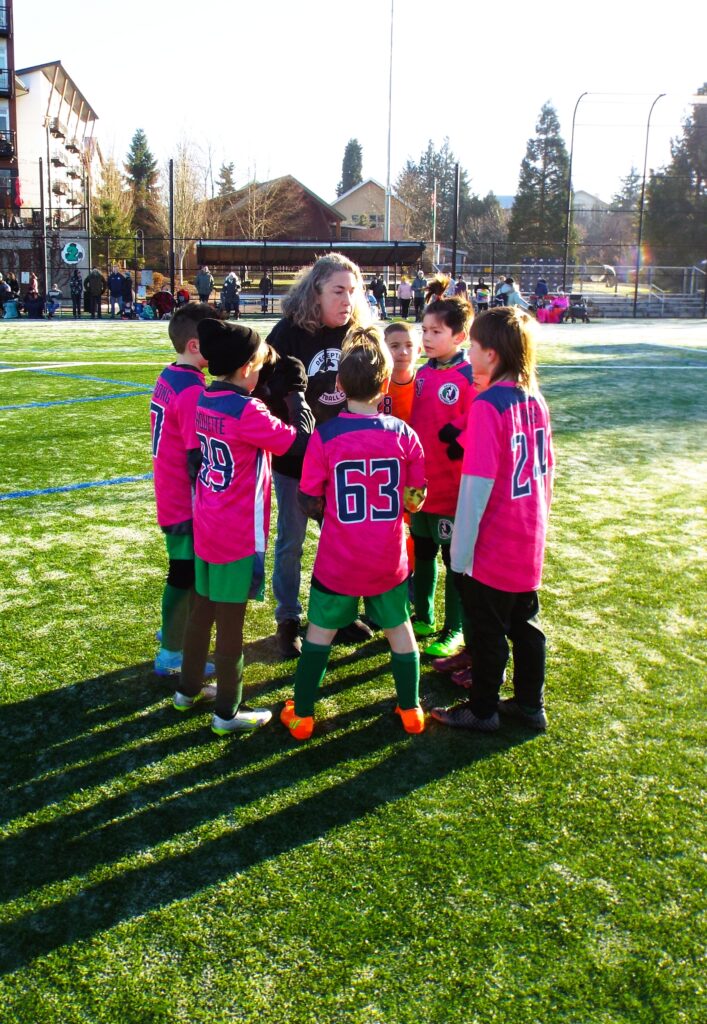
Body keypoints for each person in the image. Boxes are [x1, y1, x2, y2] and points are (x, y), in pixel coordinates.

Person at [281, 328, 427, 741]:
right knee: (400, 630)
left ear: (340, 384)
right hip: (389, 559)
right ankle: (411, 708)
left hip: (339, 559)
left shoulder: (325, 437)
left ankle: (304, 714)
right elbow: (415, 501)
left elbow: (308, 500)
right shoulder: (406, 436)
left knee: (320, 634)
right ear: (385, 384)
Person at [172, 319, 314, 735]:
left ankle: (188, 688)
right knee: (231, 624)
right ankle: (227, 713)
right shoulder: (247, 409)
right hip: (234, 531)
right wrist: (297, 396)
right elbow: (297, 441)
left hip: (207, 522)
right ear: (246, 367)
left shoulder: (205, 398)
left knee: (202, 611)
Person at [430, 306, 554, 732]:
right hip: (528, 537)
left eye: (476, 347)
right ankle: (529, 704)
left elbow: (477, 487)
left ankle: (481, 709)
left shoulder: (487, 406)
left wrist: (461, 553)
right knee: (526, 625)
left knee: (486, 632)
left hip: (495, 542)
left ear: (493, 355)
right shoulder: (535, 399)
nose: (470, 355)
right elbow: (547, 475)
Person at [265, 252, 371, 658]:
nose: (346, 299)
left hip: (344, 458)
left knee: (342, 539)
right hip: (296, 458)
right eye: (337, 290)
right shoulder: (287, 334)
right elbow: (262, 386)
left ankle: (338, 614)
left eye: (352, 291)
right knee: (292, 540)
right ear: (316, 292)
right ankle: (287, 619)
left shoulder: (359, 332)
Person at [150, 302, 217, 678]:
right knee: (183, 572)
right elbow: (198, 457)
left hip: (170, 492)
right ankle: (172, 650)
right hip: (183, 500)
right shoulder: (192, 391)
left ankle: (171, 631)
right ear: (195, 346)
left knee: (183, 569)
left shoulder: (170, 374)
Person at [410, 296, 475, 661]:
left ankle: (454, 628)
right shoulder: (423, 373)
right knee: (422, 549)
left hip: (452, 487)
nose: (428, 337)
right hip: (420, 483)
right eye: (425, 330)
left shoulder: (469, 377)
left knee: (453, 558)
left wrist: (460, 439)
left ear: (460, 335)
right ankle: (423, 614)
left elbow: (479, 420)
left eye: (436, 331)